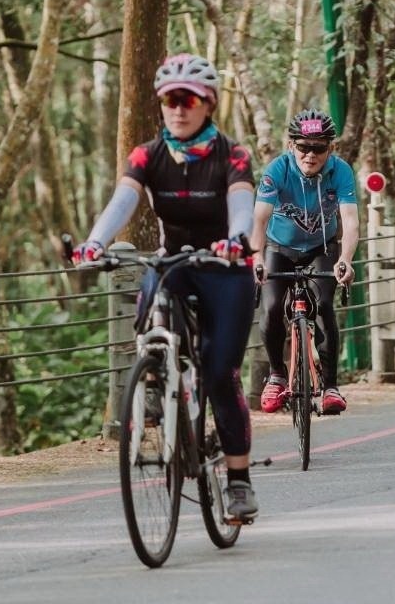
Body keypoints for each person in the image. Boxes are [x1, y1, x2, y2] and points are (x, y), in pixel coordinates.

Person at [72, 54, 261, 522]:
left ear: (208, 104)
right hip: (175, 260)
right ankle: (153, 377)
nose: (178, 109)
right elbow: (124, 200)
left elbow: (241, 202)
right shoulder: (147, 155)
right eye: (169, 101)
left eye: (188, 100)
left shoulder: (231, 155)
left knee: (219, 373)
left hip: (225, 267)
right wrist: (95, 242)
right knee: (153, 289)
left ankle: (238, 481)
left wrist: (238, 240)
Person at [252, 109, 358, 418]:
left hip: (321, 247)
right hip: (279, 247)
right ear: (291, 146)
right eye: (303, 147)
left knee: (323, 303)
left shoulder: (340, 171)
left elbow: (350, 222)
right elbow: (259, 219)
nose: (310, 155)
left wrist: (345, 260)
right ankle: (276, 375)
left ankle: (330, 387)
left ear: (330, 149)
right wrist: (257, 257)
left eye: (319, 148)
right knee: (271, 307)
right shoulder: (277, 170)